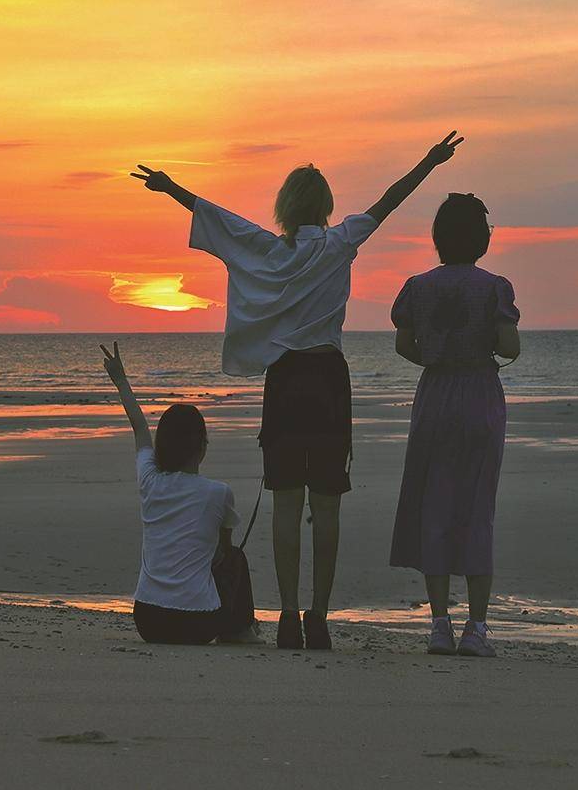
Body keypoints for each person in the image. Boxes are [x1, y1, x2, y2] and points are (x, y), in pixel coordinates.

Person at [133, 131, 463, 650]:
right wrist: (430, 161)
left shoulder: (270, 249)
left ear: (285, 208)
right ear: (326, 207)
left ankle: (288, 615)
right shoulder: (341, 241)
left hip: (285, 381)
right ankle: (319, 618)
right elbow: (388, 202)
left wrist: (172, 188)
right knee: (326, 506)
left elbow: (222, 220)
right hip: (328, 379)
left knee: (287, 504)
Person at [389, 193, 521, 658]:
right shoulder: (494, 287)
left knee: (435, 506)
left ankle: (440, 624)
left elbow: (406, 345)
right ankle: (477, 627)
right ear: (481, 239)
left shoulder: (418, 287)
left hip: (436, 395)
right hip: (479, 393)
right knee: (476, 506)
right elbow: (509, 347)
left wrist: (436, 354)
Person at [101, 342, 259, 645]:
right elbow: (221, 553)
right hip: (197, 623)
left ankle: (241, 629)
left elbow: (139, 430)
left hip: (147, 620)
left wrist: (120, 380)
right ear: (201, 447)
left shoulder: (150, 481)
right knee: (236, 558)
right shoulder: (218, 493)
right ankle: (241, 631)